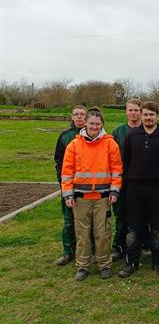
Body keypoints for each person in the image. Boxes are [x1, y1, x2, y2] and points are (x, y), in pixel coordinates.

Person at [61, 108, 122, 281]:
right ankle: (82, 266)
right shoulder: (74, 145)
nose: (94, 126)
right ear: (85, 123)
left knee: (102, 233)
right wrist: (68, 194)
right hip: (80, 198)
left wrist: (114, 191)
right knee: (82, 233)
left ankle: (104, 264)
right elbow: (67, 172)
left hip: (103, 198)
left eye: (97, 123)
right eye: (91, 123)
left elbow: (117, 170)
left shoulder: (111, 144)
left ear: (102, 124)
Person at [118, 101, 159, 278]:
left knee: (156, 227)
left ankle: (158, 261)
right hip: (134, 189)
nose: (148, 118)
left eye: (152, 114)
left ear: (157, 116)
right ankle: (131, 262)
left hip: (157, 189)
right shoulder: (132, 136)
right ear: (141, 115)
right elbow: (125, 161)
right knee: (133, 228)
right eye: (146, 114)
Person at [53, 105, 87, 265]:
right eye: (76, 114)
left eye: (82, 114)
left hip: (87, 186)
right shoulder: (65, 137)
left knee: (88, 221)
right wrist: (63, 181)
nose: (79, 117)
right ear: (72, 117)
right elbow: (58, 161)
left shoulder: (93, 134)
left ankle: (89, 250)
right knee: (69, 220)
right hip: (69, 185)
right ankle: (68, 251)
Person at [111, 99, 142, 261]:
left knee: (140, 214)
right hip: (121, 180)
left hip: (140, 180)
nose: (133, 113)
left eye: (136, 110)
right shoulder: (118, 132)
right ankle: (119, 245)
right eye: (130, 110)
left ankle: (141, 244)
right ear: (126, 111)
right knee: (121, 214)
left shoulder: (146, 130)